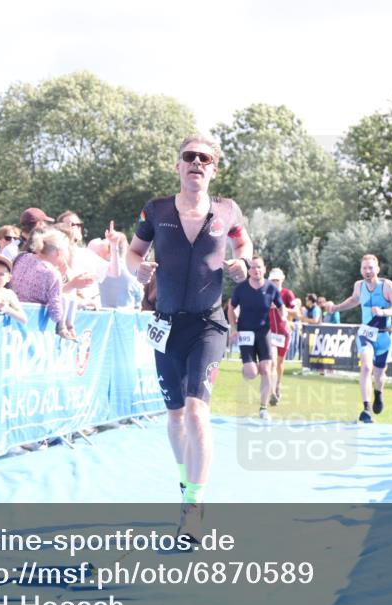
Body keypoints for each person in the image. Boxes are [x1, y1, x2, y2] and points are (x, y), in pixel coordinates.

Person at [126, 134, 252, 543]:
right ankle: (186, 483)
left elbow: (243, 241)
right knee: (176, 415)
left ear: (214, 168)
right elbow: (133, 252)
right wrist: (137, 269)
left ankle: (193, 507)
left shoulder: (227, 210)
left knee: (197, 412)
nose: (197, 162)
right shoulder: (156, 209)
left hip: (208, 324)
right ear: (178, 165)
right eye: (189, 157)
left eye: (205, 158)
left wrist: (242, 261)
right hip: (165, 324)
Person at [324, 254, 392, 424]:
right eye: (364, 268)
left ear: (377, 269)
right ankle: (366, 409)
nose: (368, 271)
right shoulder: (359, 286)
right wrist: (336, 308)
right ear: (361, 270)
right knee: (366, 367)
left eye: (371, 268)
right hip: (366, 333)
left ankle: (378, 393)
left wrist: (384, 312)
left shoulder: (387, 285)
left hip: (383, 335)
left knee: (379, 374)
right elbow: (354, 300)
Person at [228, 256, 285, 421]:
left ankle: (263, 408)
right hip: (245, 333)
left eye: (259, 267)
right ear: (249, 270)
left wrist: (284, 318)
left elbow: (281, 306)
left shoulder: (271, 288)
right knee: (252, 373)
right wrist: (233, 328)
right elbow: (231, 307)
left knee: (266, 369)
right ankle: (247, 368)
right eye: (252, 267)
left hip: (264, 332)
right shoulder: (241, 288)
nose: (256, 270)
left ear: (264, 269)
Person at [12, 229, 77, 339]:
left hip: (11, 316)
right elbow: (55, 314)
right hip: (33, 326)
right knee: (67, 298)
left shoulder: (21, 257)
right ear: (59, 252)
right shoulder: (52, 273)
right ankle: (67, 328)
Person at [266, 267, 299, 405]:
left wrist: (281, 307)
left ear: (282, 279)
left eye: (277, 280)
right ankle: (272, 392)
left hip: (283, 332)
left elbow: (296, 312)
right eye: (272, 280)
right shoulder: (265, 293)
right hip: (269, 332)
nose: (275, 282)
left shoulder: (287, 293)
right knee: (272, 362)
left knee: (279, 363)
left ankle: (278, 384)